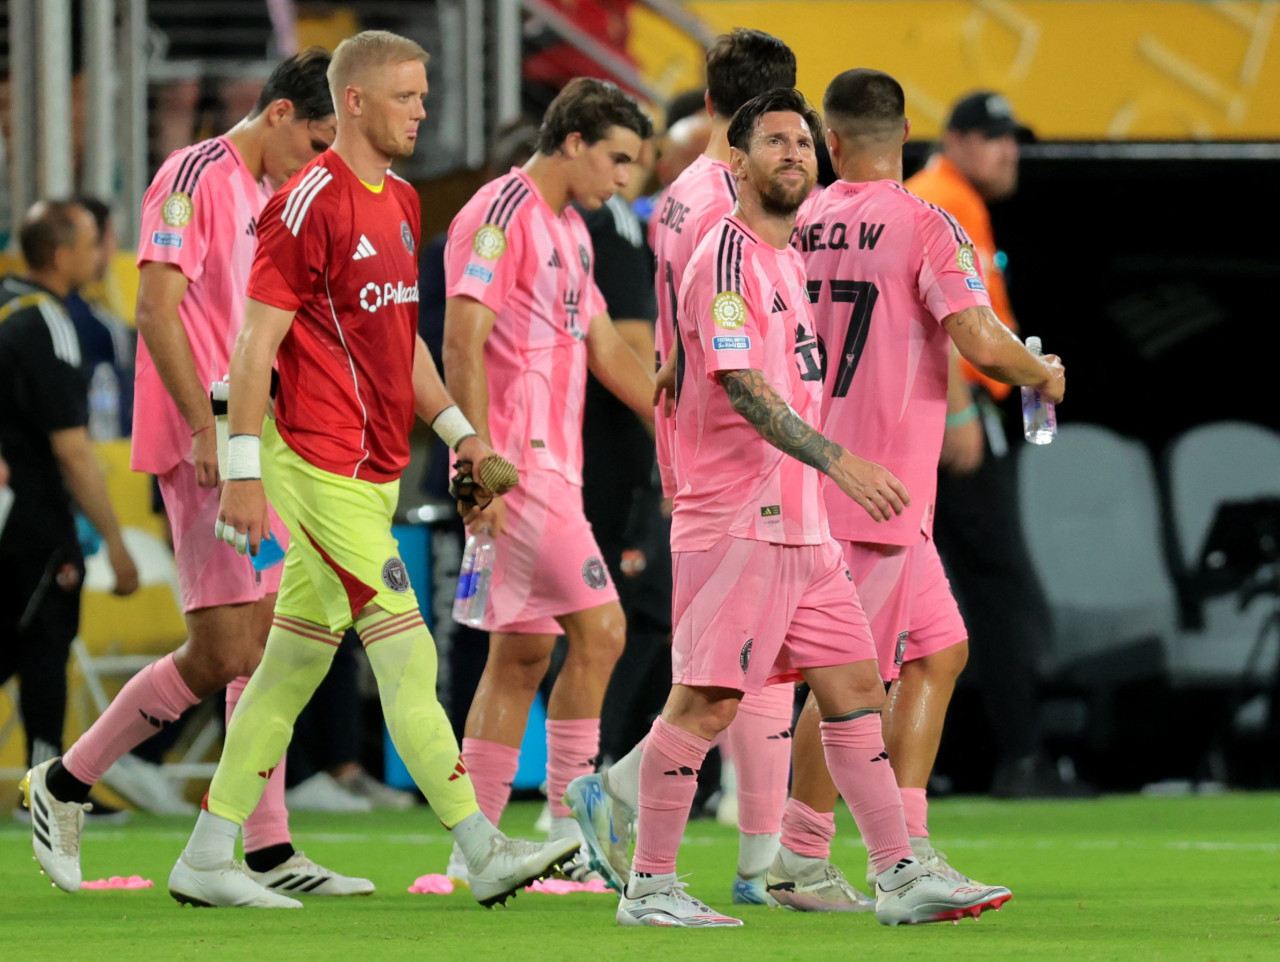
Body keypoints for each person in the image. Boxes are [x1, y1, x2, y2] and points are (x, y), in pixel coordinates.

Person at [167, 29, 577, 910]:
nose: (423, 110)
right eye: (406, 96)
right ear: (353, 101)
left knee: (286, 670)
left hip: (376, 463)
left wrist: (464, 435)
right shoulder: (306, 203)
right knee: (406, 644)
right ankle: (480, 843)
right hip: (314, 462)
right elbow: (252, 347)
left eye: (424, 95)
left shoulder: (398, 202)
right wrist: (244, 470)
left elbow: (405, 346)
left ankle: (205, 854)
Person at [610, 87, 1013, 928]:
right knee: (707, 701)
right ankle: (648, 885)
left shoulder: (788, 257)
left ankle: (898, 873)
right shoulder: (724, 254)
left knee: (858, 686)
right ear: (742, 160)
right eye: (775, 143)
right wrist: (842, 460)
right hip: (739, 517)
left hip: (806, 524)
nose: (794, 155)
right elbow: (744, 387)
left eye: (803, 143)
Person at [20, 49, 373, 898]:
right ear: (282, 114)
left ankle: (266, 848)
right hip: (208, 448)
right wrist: (203, 429)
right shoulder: (192, 173)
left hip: (261, 443)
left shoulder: (274, 193)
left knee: (273, 641)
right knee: (223, 650)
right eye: (317, 139)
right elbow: (155, 309)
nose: (321, 161)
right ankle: (66, 780)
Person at [770, 68, 1066, 905]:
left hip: (824, 470)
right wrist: (1041, 371)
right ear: (906, 136)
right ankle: (842, 856)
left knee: (940, 651)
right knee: (846, 683)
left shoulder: (801, 219)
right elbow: (975, 334)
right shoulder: (924, 222)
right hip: (883, 488)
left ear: (830, 144)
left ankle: (883, 841)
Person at [567, 29, 808, 907]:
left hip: (701, 450)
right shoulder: (728, 207)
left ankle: (755, 859)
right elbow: (733, 343)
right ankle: (636, 807)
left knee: (760, 663)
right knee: (725, 670)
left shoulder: (676, 197)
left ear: (708, 99)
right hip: (737, 457)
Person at [440, 77, 655, 882]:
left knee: (522, 654)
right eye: (617, 158)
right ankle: (574, 836)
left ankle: (477, 851)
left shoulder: (573, 228)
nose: (625, 179)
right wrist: (474, 469)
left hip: (556, 465)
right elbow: (462, 344)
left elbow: (603, 347)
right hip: (515, 466)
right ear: (572, 143)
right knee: (602, 633)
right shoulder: (500, 215)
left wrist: (667, 410)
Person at [907, 91, 1092, 797]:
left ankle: (995, 756)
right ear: (952, 140)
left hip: (957, 412)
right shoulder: (940, 199)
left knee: (962, 590)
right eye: (991, 137)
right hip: (957, 415)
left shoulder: (955, 199)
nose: (1007, 150)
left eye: (1010, 137)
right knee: (993, 587)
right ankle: (1017, 757)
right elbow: (945, 314)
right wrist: (957, 413)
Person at [4, 201, 139, 818]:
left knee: (28, 646)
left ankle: (47, 780)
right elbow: (74, 451)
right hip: (31, 519)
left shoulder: (4, 302)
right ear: (61, 256)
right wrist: (114, 540)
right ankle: (51, 787)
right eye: (89, 244)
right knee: (43, 643)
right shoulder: (49, 324)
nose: (99, 255)